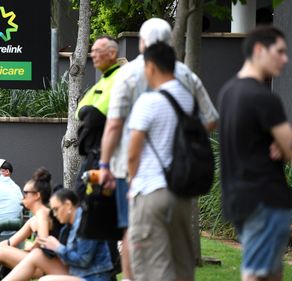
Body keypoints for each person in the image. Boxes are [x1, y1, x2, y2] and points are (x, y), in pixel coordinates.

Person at [98, 20, 218, 281]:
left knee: (132, 234)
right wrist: (182, 143)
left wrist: (105, 165)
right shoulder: (186, 75)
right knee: (180, 257)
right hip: (179, 181)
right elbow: (210, 119)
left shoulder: (129, 75)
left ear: (142, 43)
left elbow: (115, 125)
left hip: (137, 177)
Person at [217, 26, 292, 281]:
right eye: (280, 52)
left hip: (239, 199)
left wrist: (279, 144)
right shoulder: (263, 98)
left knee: (270, 273)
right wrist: (283, 144)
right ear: (259, 50)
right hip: (265, 199)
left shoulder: (228, 92)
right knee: (256, 274)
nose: (285, 59)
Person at [126, 42, 196, 281]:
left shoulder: (148, 102)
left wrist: (131, 181)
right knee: (181, 266)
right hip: (182, 193)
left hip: (151, 189)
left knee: (152, 268)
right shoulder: (188, 99)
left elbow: (133, 152)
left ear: (151, 66)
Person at [74, 35, 126, 279]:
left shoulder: (120, 78)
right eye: (91, 50)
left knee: (99, 212)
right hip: (92, 156)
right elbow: (81, 110)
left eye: (97, 51)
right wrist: (90, 111)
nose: (92, 55)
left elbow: (97, 114)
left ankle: (106, 268)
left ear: (112, 54)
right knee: (85, 206)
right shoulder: (102, 81)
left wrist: (91, 111)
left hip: (108, 159)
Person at [2, 188, 113, 281]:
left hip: (94, 277)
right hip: (78, 272)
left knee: (46, 280)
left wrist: (57, 247)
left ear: (68, 205)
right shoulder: (69, 225)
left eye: (56, 209)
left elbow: (83, 261)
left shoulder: (86, 224)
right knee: (36, 254)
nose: (54, 214)